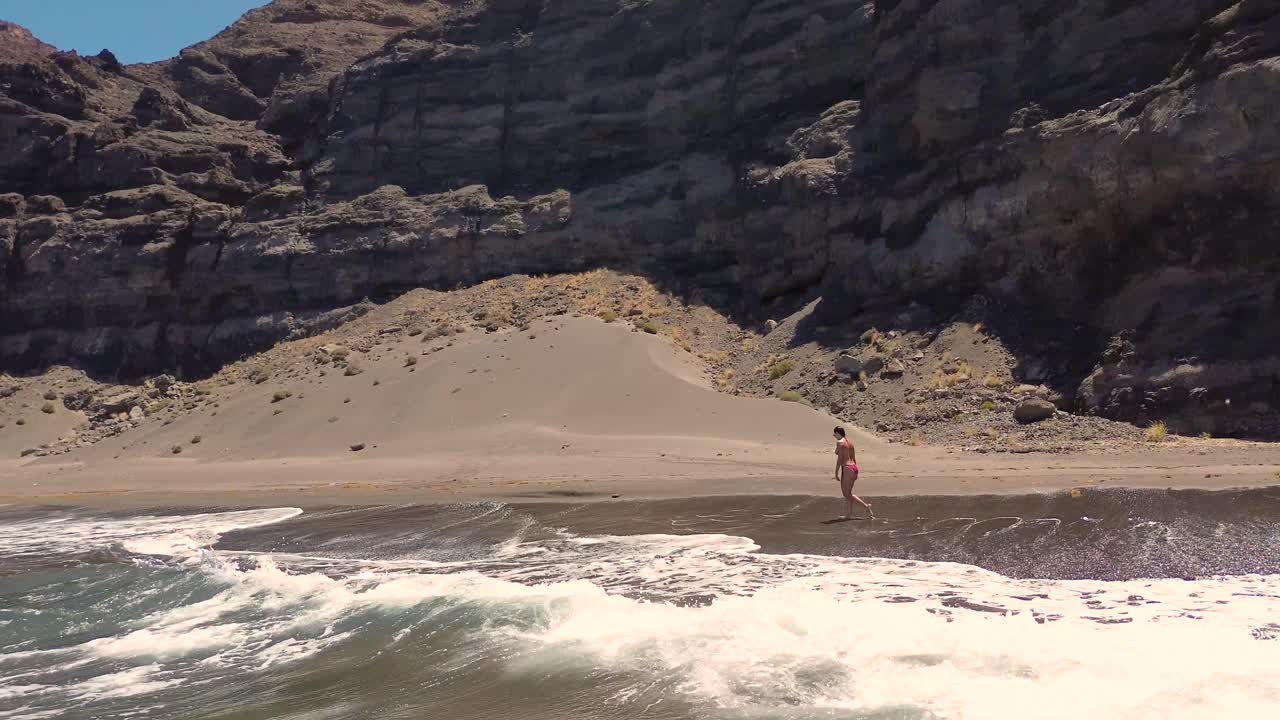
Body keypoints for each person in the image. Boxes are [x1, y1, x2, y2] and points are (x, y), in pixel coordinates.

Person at [834, 427, 874, 519]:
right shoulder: (850, 443)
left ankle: (866, 506)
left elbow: (839, 459)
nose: (834, 436)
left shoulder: (840, 443)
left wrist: (836, 472)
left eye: (835, 434)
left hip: (847, 468)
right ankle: (848, 515)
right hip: (854, 468)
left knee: (846, 494)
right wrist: (856, 472)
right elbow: (853, 458)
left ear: (837, 433)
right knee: (849, 493)